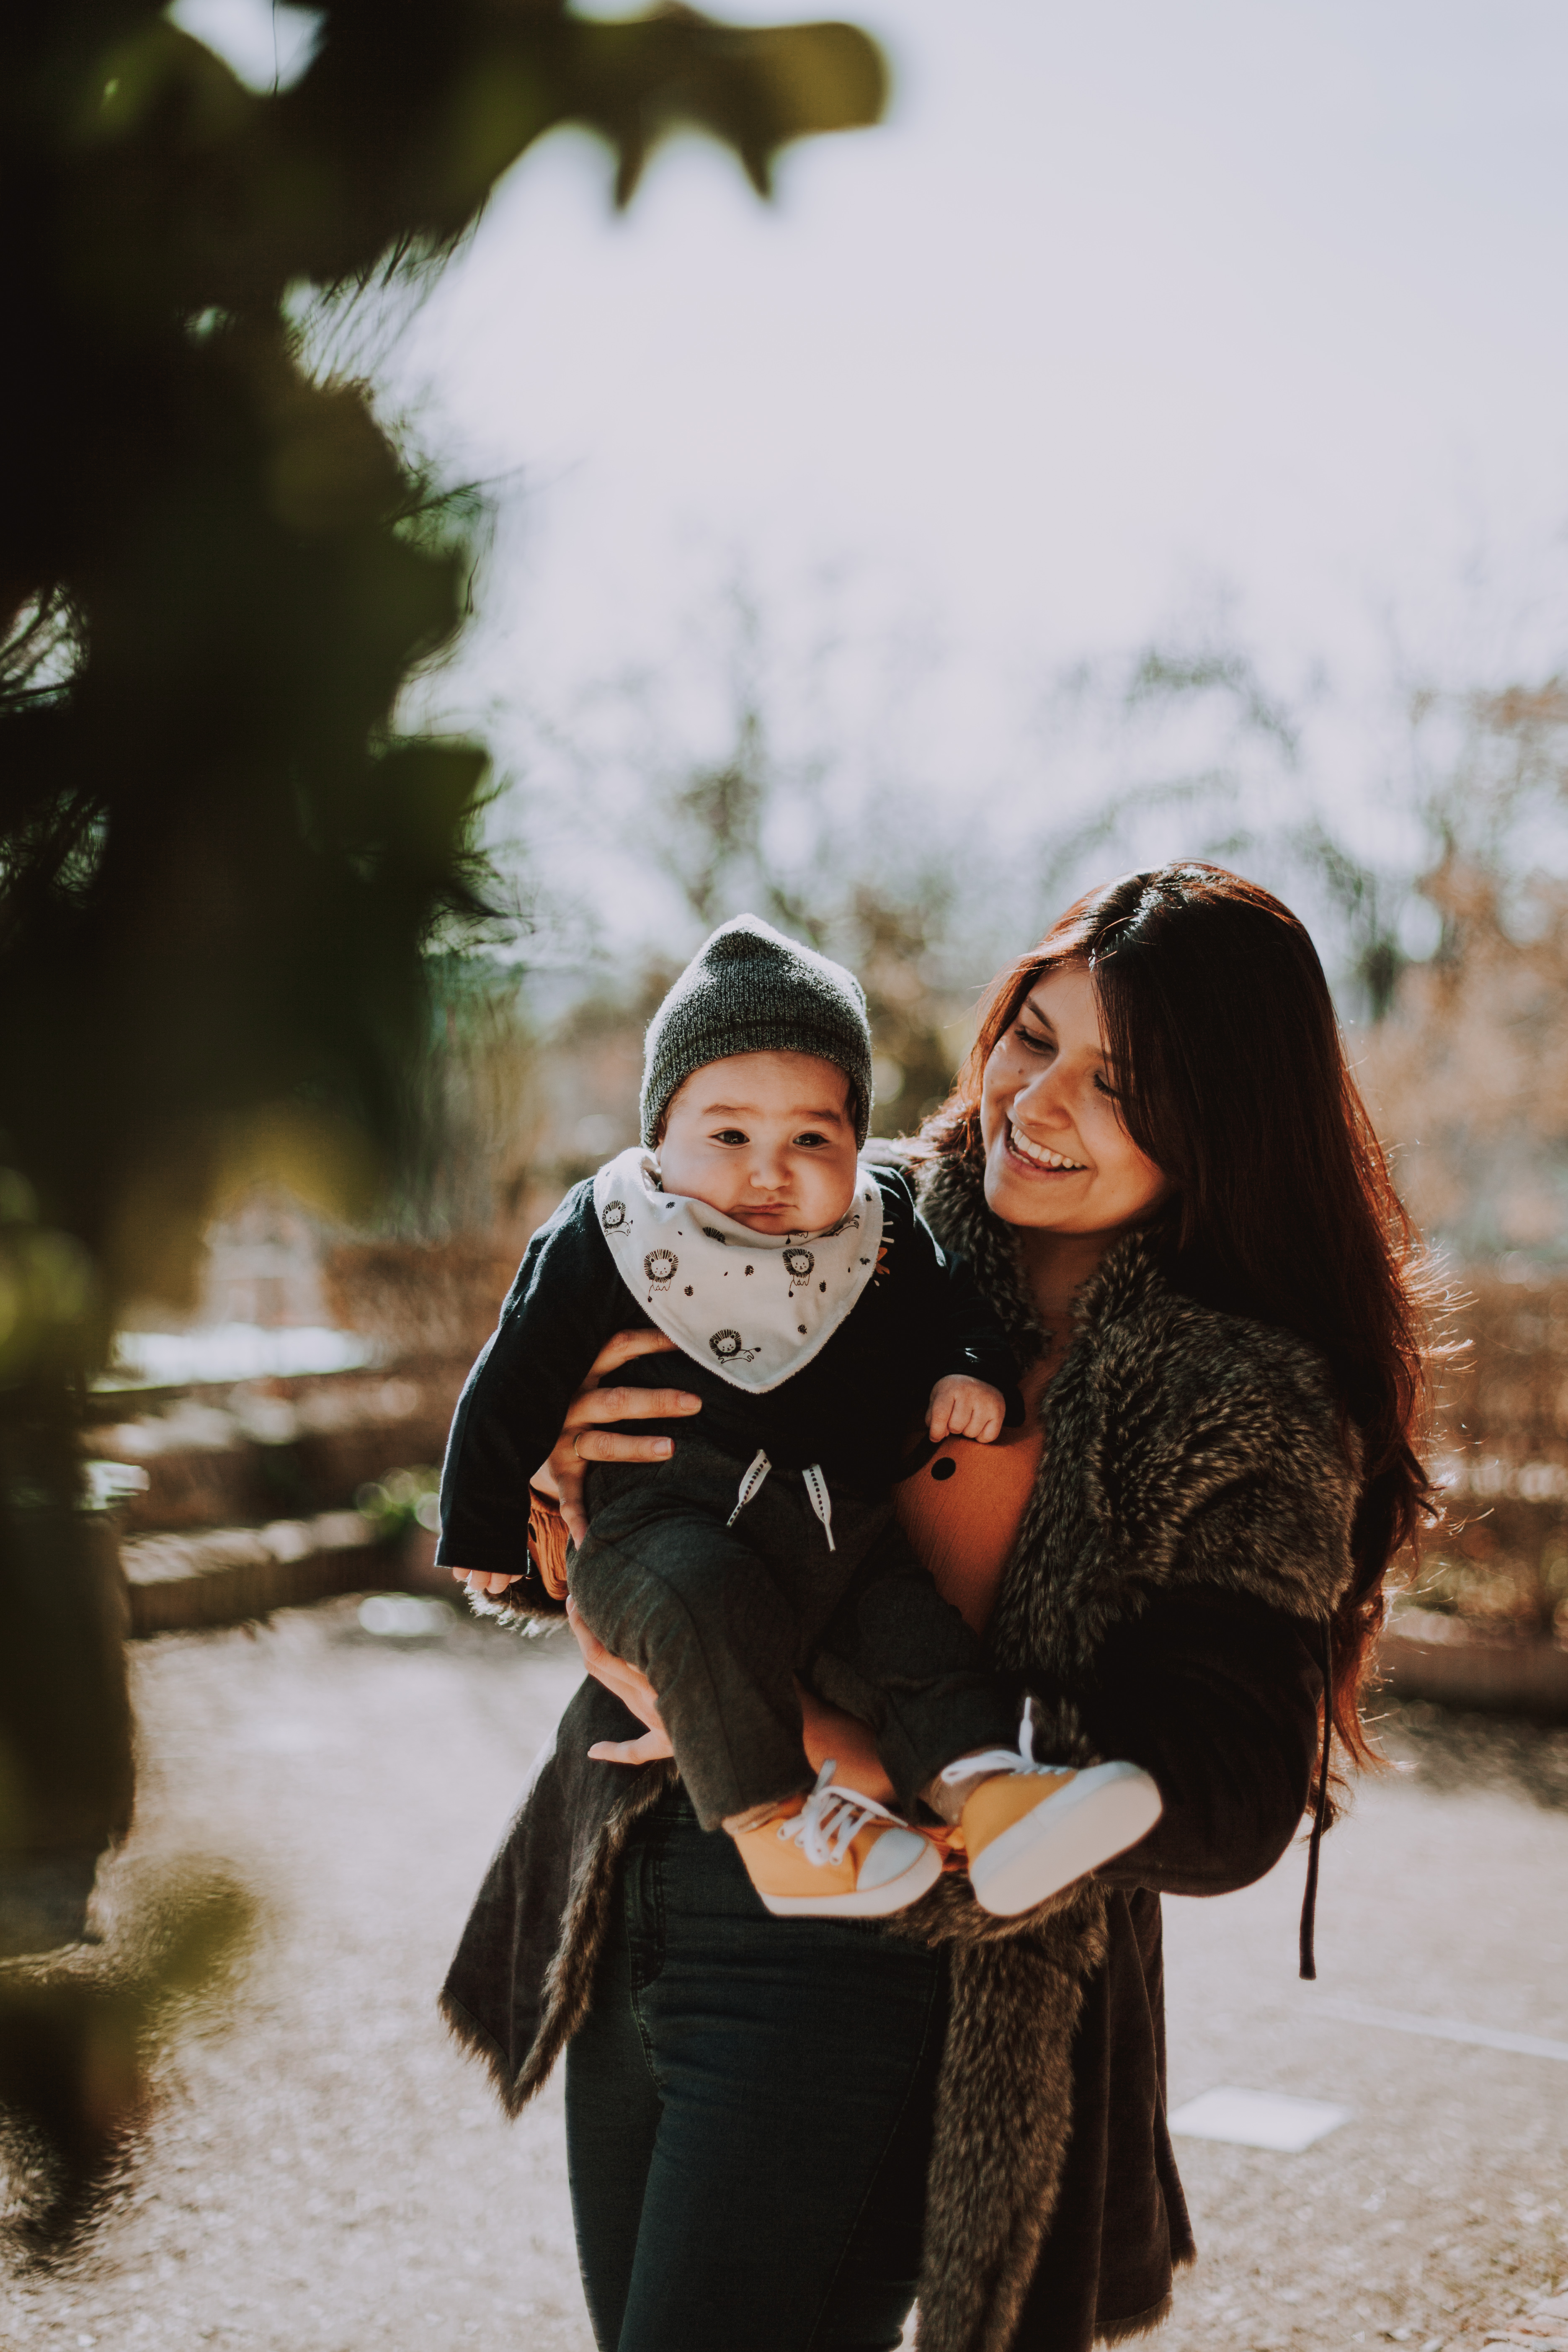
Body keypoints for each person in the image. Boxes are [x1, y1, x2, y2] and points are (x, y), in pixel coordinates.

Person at [439, 864, 1432, 2352]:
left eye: (1123, 1081)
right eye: (1033, 1036)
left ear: (1226, 1113)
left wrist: (804, 1741)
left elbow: (1226, 1789)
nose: (1039, 1101)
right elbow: (588, 1467)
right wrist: (556, 1497)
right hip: (635, 1882)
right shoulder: (840, 1209)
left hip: (864, 1939)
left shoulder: (1240, 1398)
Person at [438, 913, 1162, 1920]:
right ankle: (777, 1824)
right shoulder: (610, 1230)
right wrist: (485, 1523)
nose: (769, 1171)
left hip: (843, 1532)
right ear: (661, 1136)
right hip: (665, 1529)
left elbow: (952, 1309)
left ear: (858, 1141)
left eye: (812, 1138)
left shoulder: (885, 1224)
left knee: (917, 1637)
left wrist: (969, 1371)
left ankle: (990, 1794)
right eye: (727, 1135)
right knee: (709, 1602)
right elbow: (511, 1378)